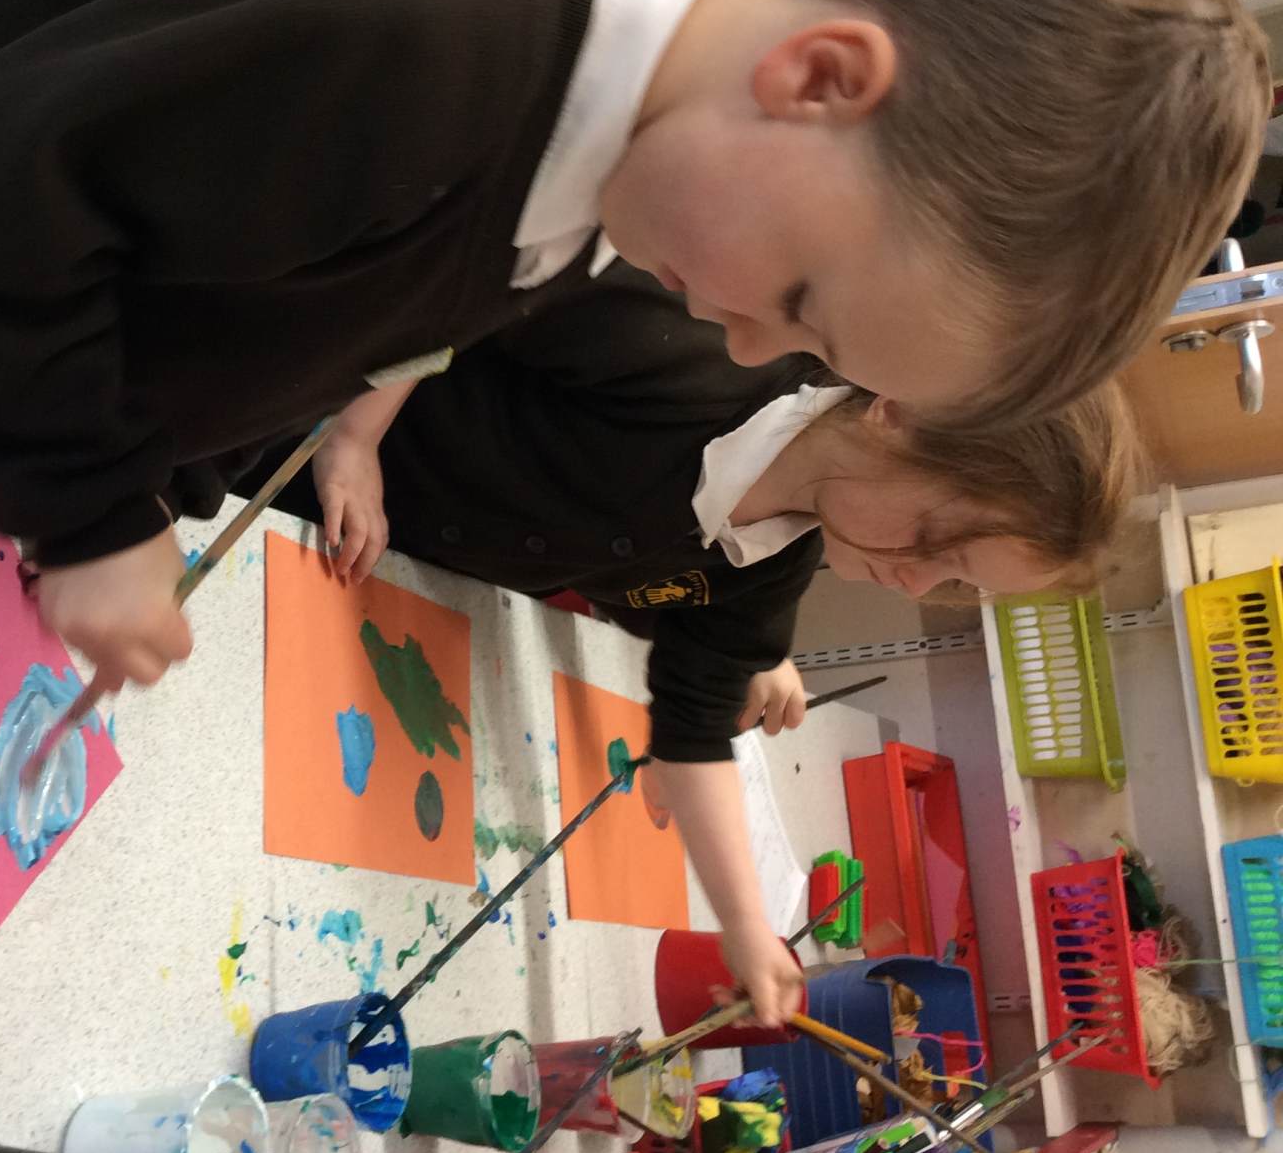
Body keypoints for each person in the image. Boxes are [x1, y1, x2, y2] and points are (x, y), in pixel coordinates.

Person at [0, 0, 1262, 694]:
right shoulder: (425, 26)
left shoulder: (597, 184)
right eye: (805, 308)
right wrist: (90, 514)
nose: (745, 349)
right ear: (819, 79)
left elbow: (283, 309)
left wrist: (160, 480)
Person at [245, 275, 1144, 1024]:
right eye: (936, 539)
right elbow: (462, 282)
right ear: (899, 413)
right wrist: (355, 435)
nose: (914, 582)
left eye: (954, 582)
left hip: (354, 570)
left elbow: (694, 735)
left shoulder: (771, 569)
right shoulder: (703, 353)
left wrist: (746, 926)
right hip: (288, 427)